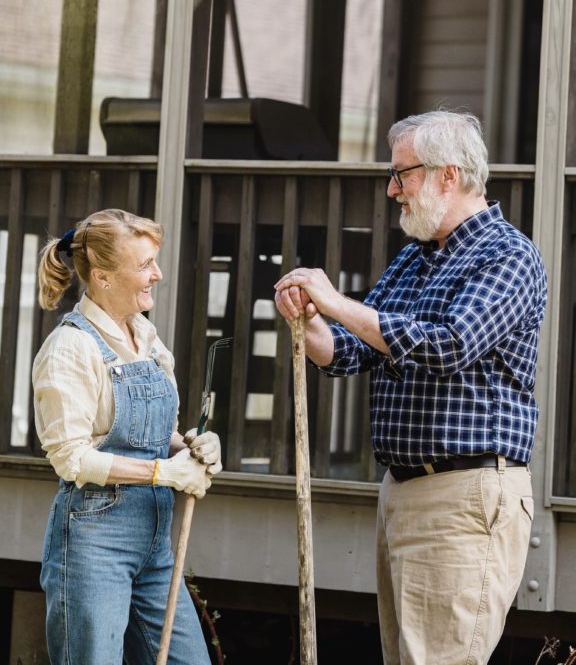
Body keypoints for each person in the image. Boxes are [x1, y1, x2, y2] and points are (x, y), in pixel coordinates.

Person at [274, 110, 547, 665]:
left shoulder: (508, 254)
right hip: (403, 492)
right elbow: (352, 350)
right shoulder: (416, 258)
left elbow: (448, 345)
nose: (393, 189)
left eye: (404, 174)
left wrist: (338, 302)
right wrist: (310, 321)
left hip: (463, 495)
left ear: (450, 174)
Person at [33, 208, 221, 665]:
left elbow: (156, 433)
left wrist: (190, 445)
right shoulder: (70, 348)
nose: (157, 274)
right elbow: (72, 459)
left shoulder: (147, 338)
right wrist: (164, 472)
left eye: (155, 261)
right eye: (143, 266)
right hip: (93, 545)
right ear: (102, 277)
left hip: (154, 544)